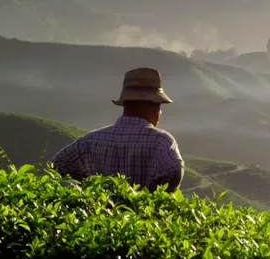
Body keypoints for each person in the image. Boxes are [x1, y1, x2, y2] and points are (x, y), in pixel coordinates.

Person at [51, 67, 185, 192]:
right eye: (159, 107)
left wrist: (87, 188)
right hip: (143, 215)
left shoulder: (91, 140)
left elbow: (59, 163)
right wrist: (155, 196)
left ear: (125, 104)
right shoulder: (161, 141)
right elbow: (174, 168)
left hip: (100, 214)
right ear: (152, 107)